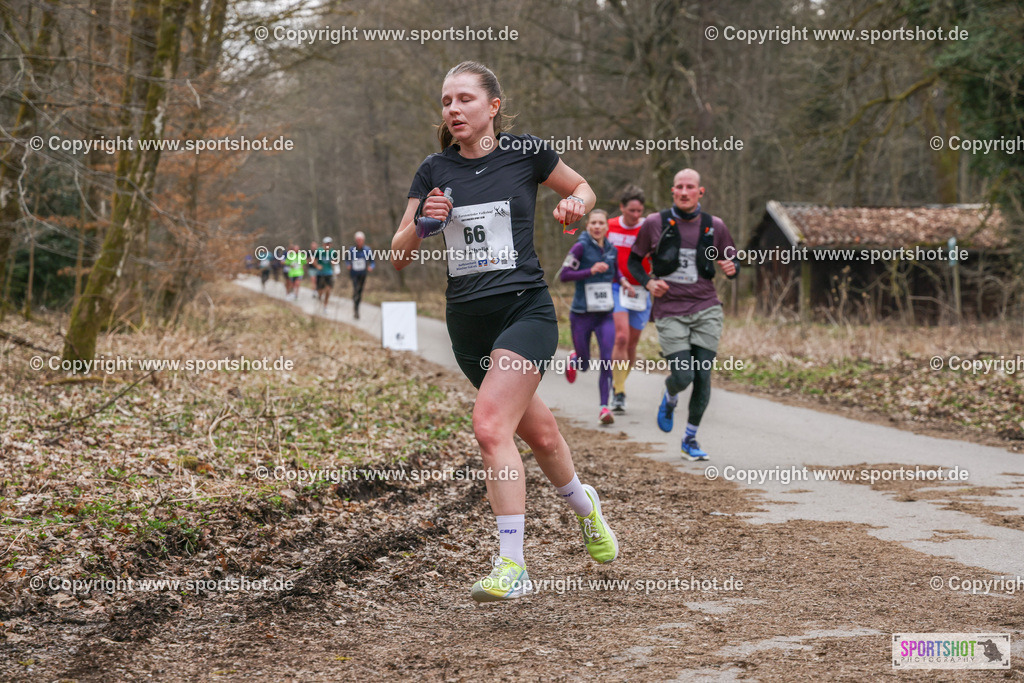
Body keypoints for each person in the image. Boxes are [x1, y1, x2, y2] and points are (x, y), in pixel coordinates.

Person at [391, 61, 618, 602]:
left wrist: (573, 205)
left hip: (525, 311)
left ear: (492, 106)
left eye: (464, 99)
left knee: (491, 426)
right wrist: (424, 222)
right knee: (538, 436)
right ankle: (586, 508)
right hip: (468, 324)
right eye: (446, 101)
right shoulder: (433, 170)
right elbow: (398, 254)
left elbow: (584, 188)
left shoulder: (526, 154)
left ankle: (512, 564)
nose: (453, 110)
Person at [628, 168, 740, 461]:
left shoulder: (714, 225)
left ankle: (690, 438)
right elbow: (634, 261)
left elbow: (733, 260)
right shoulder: (655, 223)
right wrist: (649, 282)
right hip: (670, 311)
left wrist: (732, 267)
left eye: (691, 187)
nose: (685, 191)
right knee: (683, 374)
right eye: (680, 187)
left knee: (703, 374)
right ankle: (670, 395)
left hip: (706, 309)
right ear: (673, 192)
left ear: (700, 192)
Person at [559, 209, 633, 425]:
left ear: (607, 227)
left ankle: (604, 407)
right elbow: (564, 275)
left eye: (602, 223)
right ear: (588, 226)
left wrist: (624, 282)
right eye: (594, 223)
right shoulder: (580, 247)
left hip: (605, 314)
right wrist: (589, 271)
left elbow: (615, 272)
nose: (598, 226)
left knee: (607, 360)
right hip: (582, 314)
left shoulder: (611, 249)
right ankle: (575, 359)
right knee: (584, 364)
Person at [606, 185, 650, 413]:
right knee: (621, 337)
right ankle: (619, 390)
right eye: (631, 210)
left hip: (642, 290)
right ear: (622, 207)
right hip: (616, 287)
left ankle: (619, 382)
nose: (635, 215)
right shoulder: (610, 227)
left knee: (632, 343)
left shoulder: (649, 228)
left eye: (639, 211)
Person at [345, 231, 375, 319]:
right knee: (356, 289)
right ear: (355, 240)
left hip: (363, 273)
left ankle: (357, 307)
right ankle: (356, 309)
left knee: (360, 291)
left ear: (363, 240)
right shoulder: (351, 250)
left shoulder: (367, 250)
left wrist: (371, 267)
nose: (359, 242)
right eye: (357, 240)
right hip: (354, 273)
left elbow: (372, 262)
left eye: (360, 240)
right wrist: (348, 265)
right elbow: (347, 259)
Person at [313, 236, 336, 313]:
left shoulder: (333, 252)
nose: (328, 245)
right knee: (320, 290)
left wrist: (334, 264)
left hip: (329, 273)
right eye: (326, 243)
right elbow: (313, 260)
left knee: (328, 290)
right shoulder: (319, 251)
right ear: (323, 244)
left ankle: (325, 306)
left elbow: (334, 261)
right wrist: (317, 266)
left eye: (329, 244)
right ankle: (319, 295)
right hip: (320, 273)